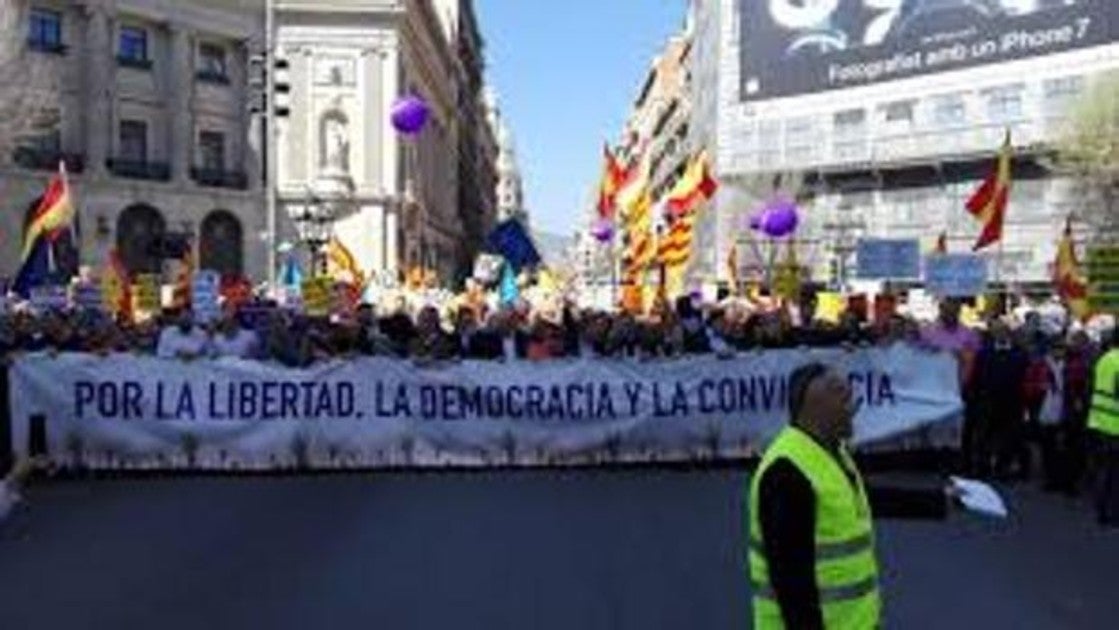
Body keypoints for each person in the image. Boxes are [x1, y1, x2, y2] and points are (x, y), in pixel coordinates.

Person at [749, 363, 950, 630]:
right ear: (820, 409)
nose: (855, 409)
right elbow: (792, 582)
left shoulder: (830, 450)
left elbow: (864, 499)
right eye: (846, 401)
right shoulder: (786, 471)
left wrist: (942, 500)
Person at [1088, 330, 1119, 526]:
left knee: (1105, 470)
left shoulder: (1104, 359)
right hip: (1116, 425)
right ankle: (1113, 514)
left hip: (1099, 421)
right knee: (1115, 475)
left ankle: (1101, 511)